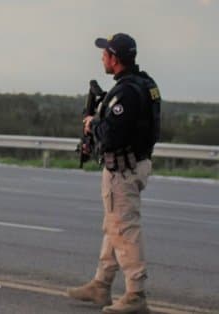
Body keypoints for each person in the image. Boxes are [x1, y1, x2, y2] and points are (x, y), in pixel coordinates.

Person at [67, 33, 161, 314]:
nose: (101, 58)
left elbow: (110, 137)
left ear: (115, 59)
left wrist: (91, 125)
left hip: (122, 169)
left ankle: (136, 295)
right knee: (114, 226)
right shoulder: (146, 84)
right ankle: (101, 285)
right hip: (135, 163)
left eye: (105, 54)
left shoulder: (126, 93)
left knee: (124, 229)